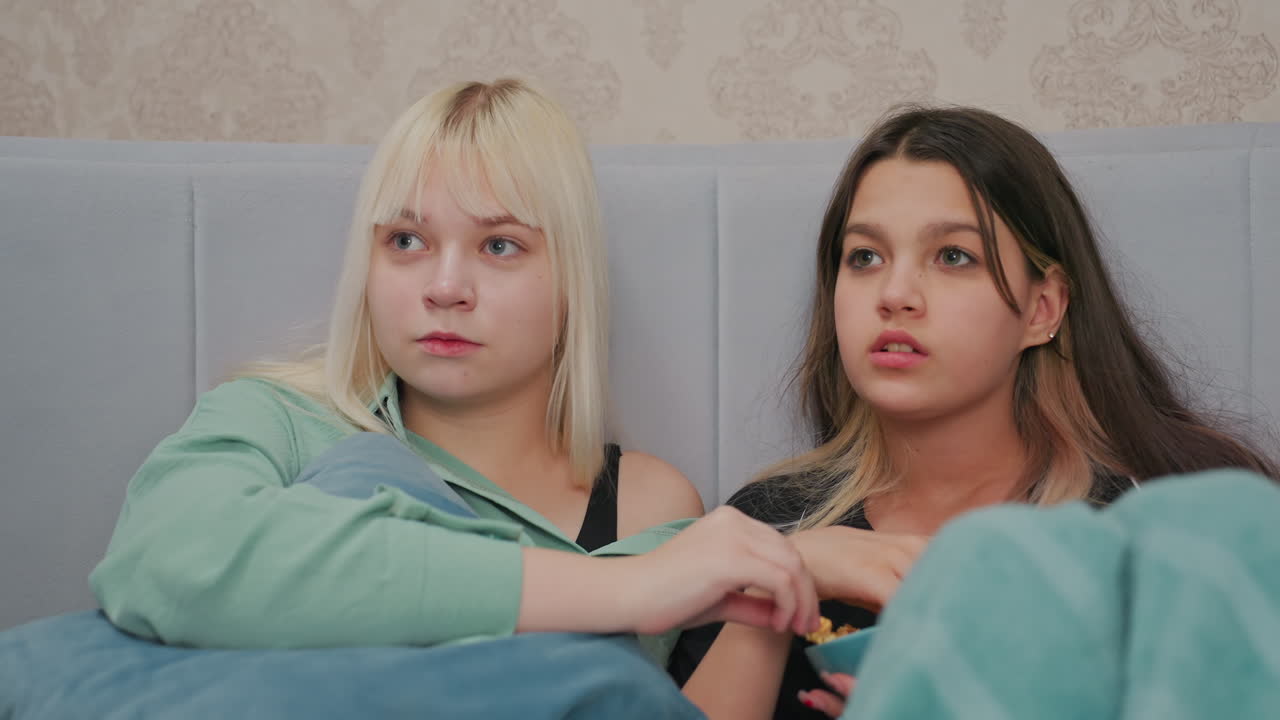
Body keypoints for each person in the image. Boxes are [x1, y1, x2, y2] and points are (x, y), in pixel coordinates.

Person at [88, 78, 828, 673]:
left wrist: (774, 580)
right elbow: (167, 562)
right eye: (406, 240)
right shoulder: (273, 420)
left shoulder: (646, 505)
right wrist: (630, 587)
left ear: (572, 282)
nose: (445, 287)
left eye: (499, 245)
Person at [668, 105, 1278, 719]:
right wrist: (778, 583)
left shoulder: (1161, 526)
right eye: (866, 257)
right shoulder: (765, 526)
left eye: (954, 256)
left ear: (1042, 308)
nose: (895, 294)